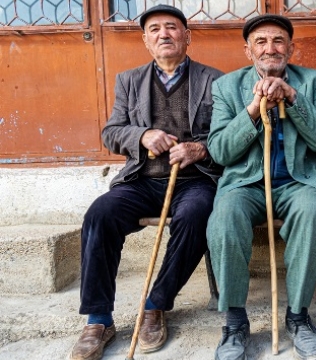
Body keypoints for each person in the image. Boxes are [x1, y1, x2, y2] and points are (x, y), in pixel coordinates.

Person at [69, 5, 224, 360]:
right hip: (142, 180)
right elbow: (111, 133)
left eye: (172, 27)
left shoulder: (215, 79)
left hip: (194, 180)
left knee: (198, 214)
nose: (163, 34)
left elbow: (229, 135)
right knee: (100, 215)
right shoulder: (129, 80)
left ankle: (156, 304)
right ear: (146, 40)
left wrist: (200, 148)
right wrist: (142, 135)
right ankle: (98, 318)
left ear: (187, 36)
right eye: (154, 30)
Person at [205, 14, 316, 360]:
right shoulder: (227, 87)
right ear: (248, 50)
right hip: (246, 184)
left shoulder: (313, 81)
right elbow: (220, 150)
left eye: (278, 41)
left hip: (298, 182)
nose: (270, 48)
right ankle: (234, 322)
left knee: (312, 213)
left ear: (291, 48)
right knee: (223, 219)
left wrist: (294, 99)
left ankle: (298, 317)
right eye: (261, 42)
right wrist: (252, 110)